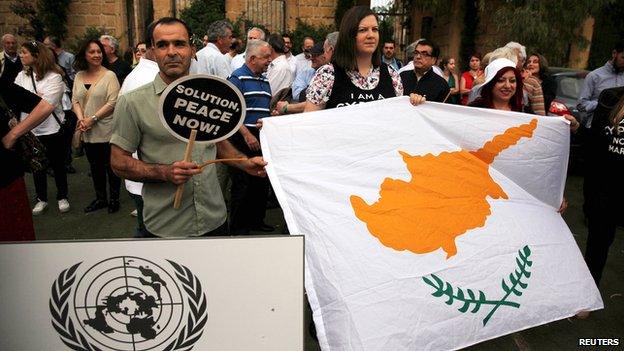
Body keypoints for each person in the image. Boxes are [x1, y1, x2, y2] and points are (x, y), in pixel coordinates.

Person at [110, 17, 266, 238]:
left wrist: (244, 163)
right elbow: (118, 162)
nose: (172, 51)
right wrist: (164, 172)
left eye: (179, 44)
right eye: (162, 45)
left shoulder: (209, 96)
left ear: (193, 49)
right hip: (166, 227)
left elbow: (217, 142)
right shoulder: (132, 102)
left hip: (215, 221)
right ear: (153, 52)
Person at [305, 6, 402, 111]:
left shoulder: (392, 75)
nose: (371, 35)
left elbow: (398, 118)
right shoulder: (327, 75)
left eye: (375, 29)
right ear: (349, 35)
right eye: (363, 30)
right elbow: (310, 121)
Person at [1, 61, 56, 241]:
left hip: (5, 180)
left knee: (14, 241)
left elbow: (45, 106)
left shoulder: (2, 87)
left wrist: (13, 134)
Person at [14, 41, 70, 215]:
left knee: (58, 164)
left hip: (52, 129)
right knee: (37, 166)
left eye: (24, 52)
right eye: (20, 52)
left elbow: (47, 105)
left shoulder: (55, 77)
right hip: (30, 130)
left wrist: (32, 99)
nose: (21, 55)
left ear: (36, 55)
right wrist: (35, 99)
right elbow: (16, 100)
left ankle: (62, 196)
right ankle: (41, 199)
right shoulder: (21, 76)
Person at [227, 40, 274, 235]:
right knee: (243, 184)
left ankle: (256, 221)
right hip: (243, 136)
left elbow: (263, 109)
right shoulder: (236, 79)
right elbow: (229, 112)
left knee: (261, 182)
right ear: (253, 58)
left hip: (261, 136)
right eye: (266, 57)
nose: (269, 61)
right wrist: (246, 134)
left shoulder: (264, 80)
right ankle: (239, 227)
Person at [72, 39, 121, 213]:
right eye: (92, 52)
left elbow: (113, 102)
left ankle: (114, 199)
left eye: (99, 51)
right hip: (86, 130)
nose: (96, 55)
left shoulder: (110, 76)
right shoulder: (78, 76)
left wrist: (92, 118)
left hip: (106, 130)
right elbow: (75, 100)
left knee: (111, 167)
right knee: (95, 166)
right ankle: (101, 199)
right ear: (84, 55)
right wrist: (81, 119)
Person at [118, 33, 160, 237]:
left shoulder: (139, 75)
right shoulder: (147, 79)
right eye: (162, 45)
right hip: (148, 173)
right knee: (150, 232)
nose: (171, 52)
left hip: (148, 173)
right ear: (152, 48)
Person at [584, 86, 624, 288]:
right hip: (606, 190)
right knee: (598, 243)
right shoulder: (610, 97)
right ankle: (588, 290)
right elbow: (595, 143)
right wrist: (577, 129)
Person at [275, 42, 330, 114]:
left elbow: (316, 103)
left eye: (315, 55)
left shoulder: (332, 74)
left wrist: (286, 108)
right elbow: (297, 94)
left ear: (325, 55)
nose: (311, 58)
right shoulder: (305, 73)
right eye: (311, 54)